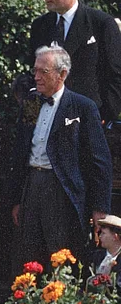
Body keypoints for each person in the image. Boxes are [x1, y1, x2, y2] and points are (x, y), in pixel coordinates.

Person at [15, 37, 112, 267]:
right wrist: (17, 199)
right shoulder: (32, 101)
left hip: (62, 189)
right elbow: (21, 149)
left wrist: (100, 209)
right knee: (29, 252)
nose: (36, 77)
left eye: (43, 72)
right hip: (32, 185)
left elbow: (100, 161)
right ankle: (28, 302)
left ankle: (61, 301)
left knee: (61, 254)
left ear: (62, 74)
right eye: (35, 70)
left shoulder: (83, 107)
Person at [28, 0, 115, 119]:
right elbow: (33, 72)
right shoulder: (39, 26)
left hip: (88, 119)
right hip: (48, 118)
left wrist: (104, 117)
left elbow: (115, 74)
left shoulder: (101, 23)